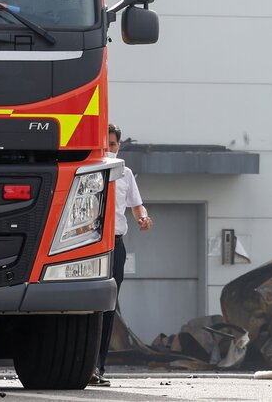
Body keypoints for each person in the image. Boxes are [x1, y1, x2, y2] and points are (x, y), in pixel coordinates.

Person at [92, 123, 151, 387]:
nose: (109, 149)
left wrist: (144, 218)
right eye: (105, 145)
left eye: (113, 145)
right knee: (86, 306)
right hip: (89, 245)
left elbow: (136, 206)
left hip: (115, 245)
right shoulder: (88, 169)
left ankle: (98, 367)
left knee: (108, 307)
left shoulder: (125, 173)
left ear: (119, 146)